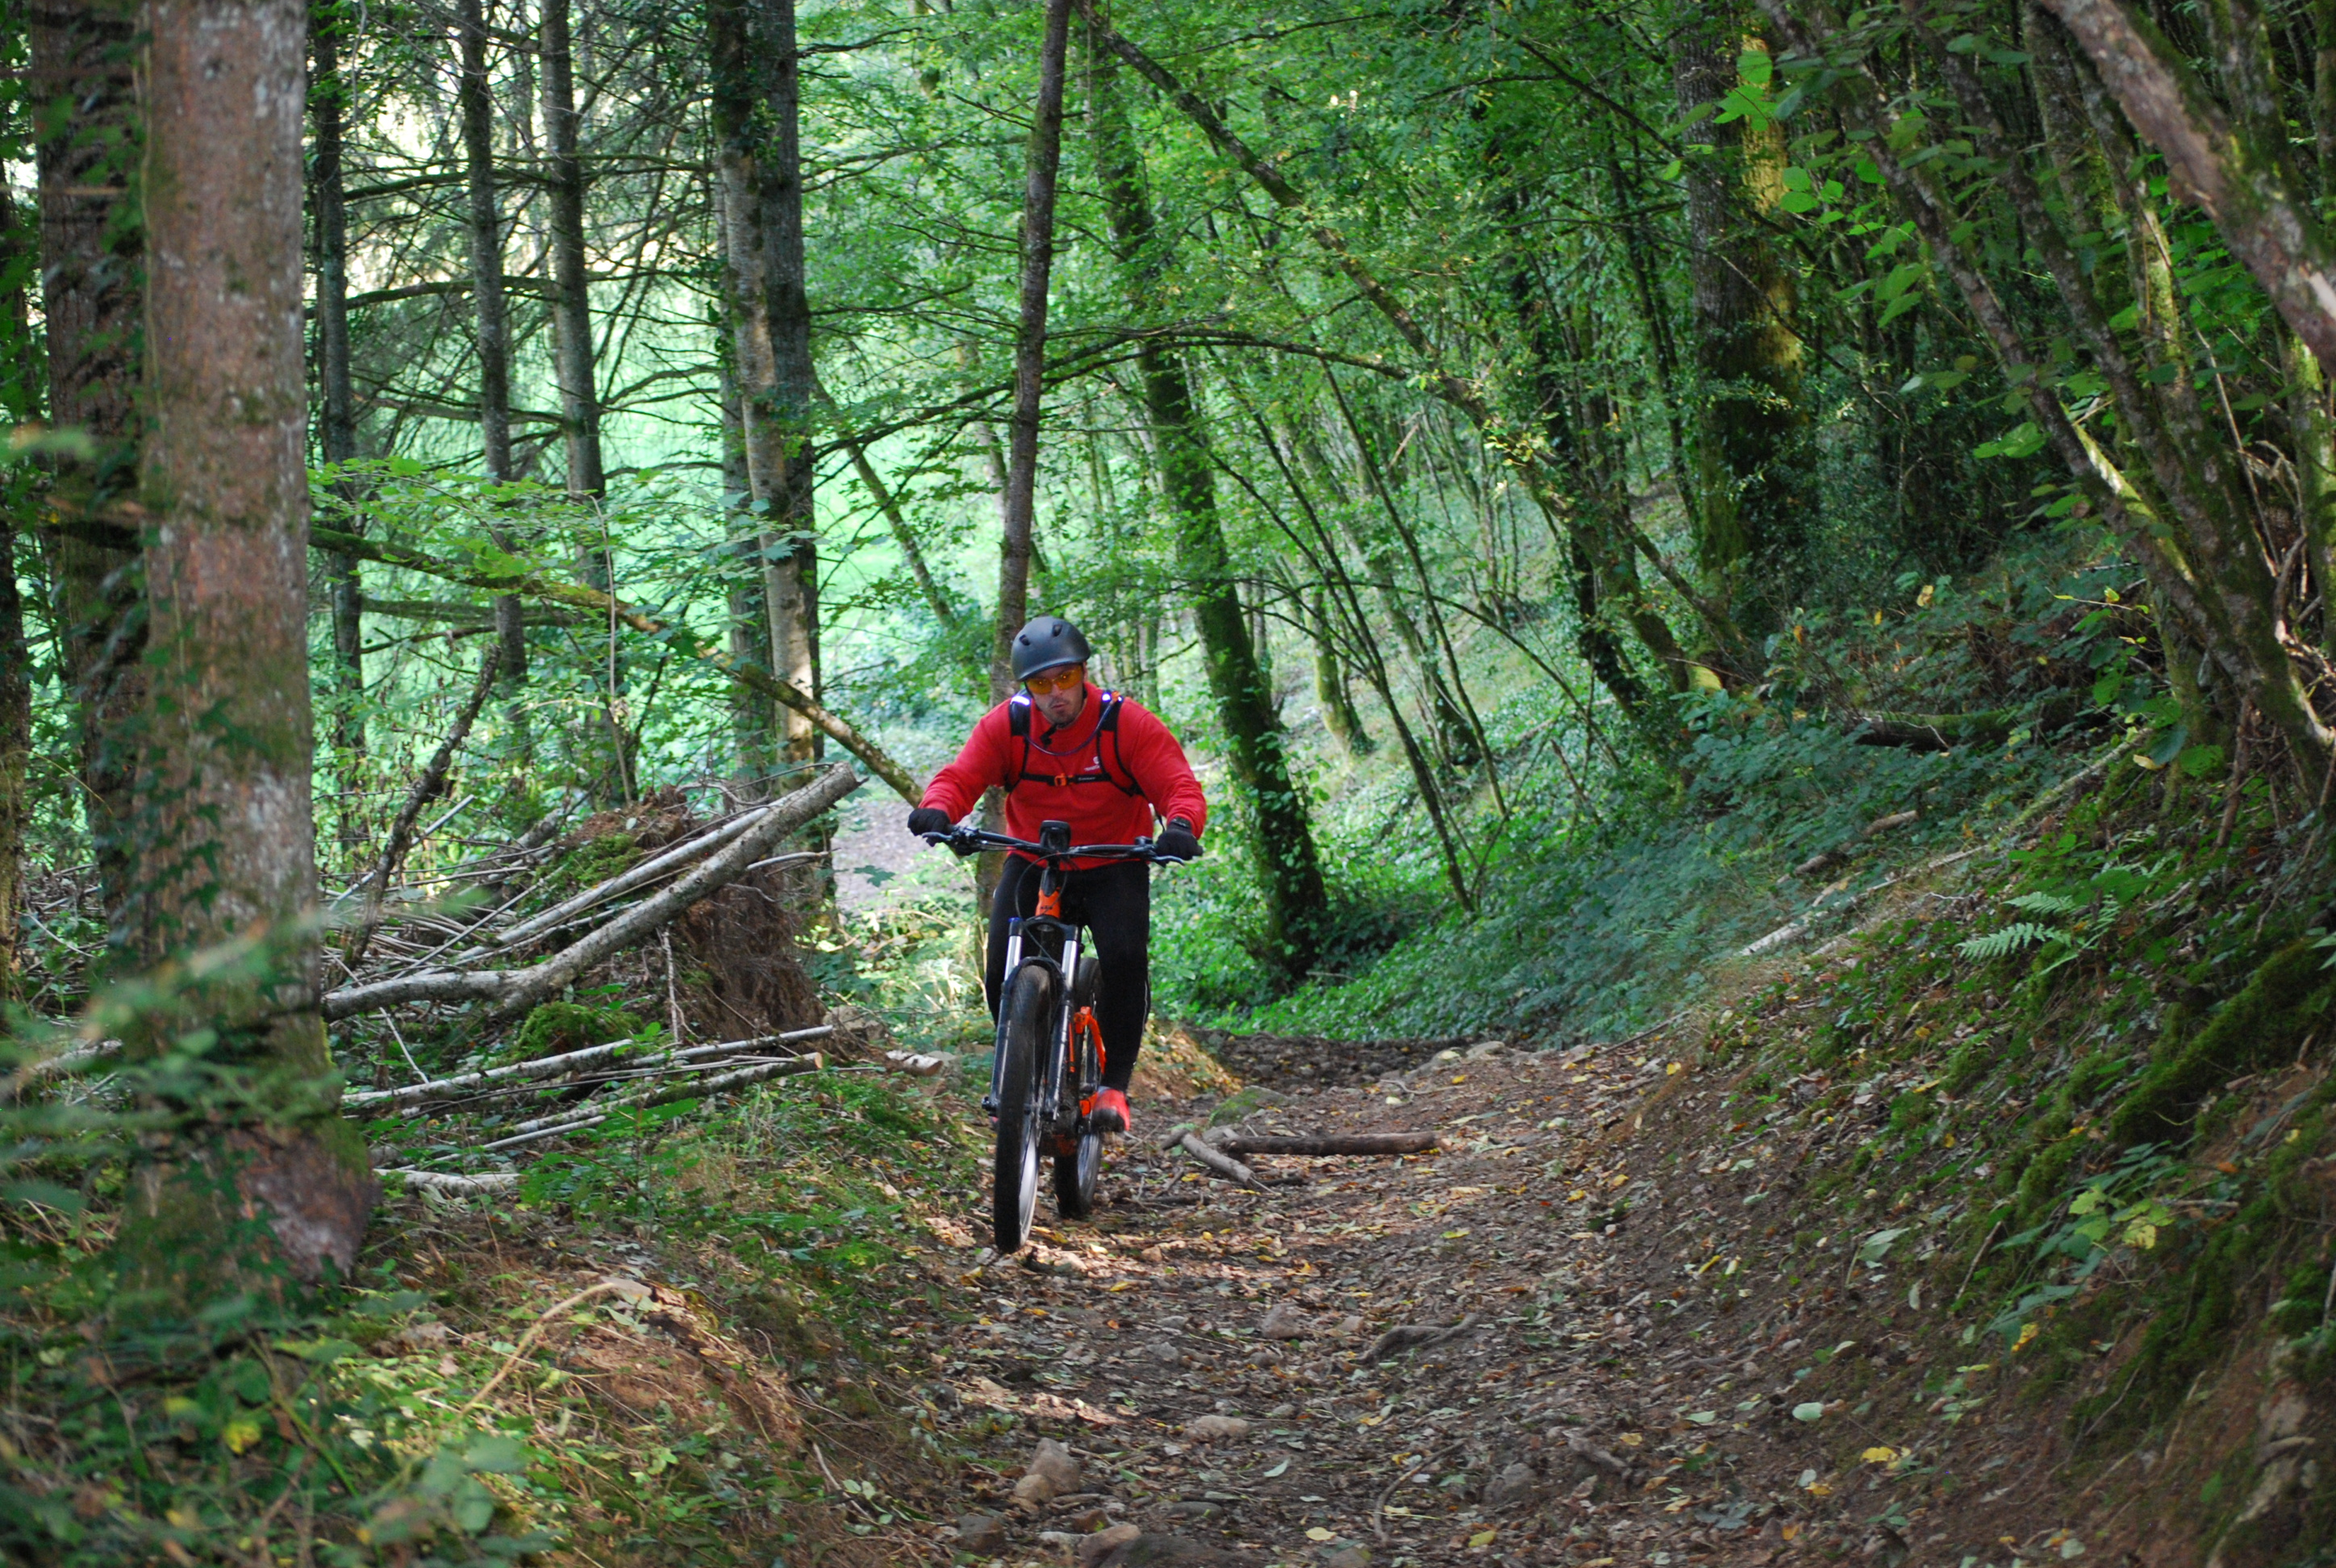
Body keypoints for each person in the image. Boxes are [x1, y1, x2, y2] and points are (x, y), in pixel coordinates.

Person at [907, 616, 1205, 1135]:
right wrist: (938, 809)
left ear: (1082, 672)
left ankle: (1113, 1085)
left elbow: (1177, 784)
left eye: (1064, 678)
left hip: (1114, 862)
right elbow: (962, 776)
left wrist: (1179, 827)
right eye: (1040, 684)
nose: (1055, 693)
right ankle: (1017, 1075)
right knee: (1002, 959)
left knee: (1126, 958)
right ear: (1027, 689)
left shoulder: (1124, 723)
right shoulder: (1009, 726)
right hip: (1036, 860)